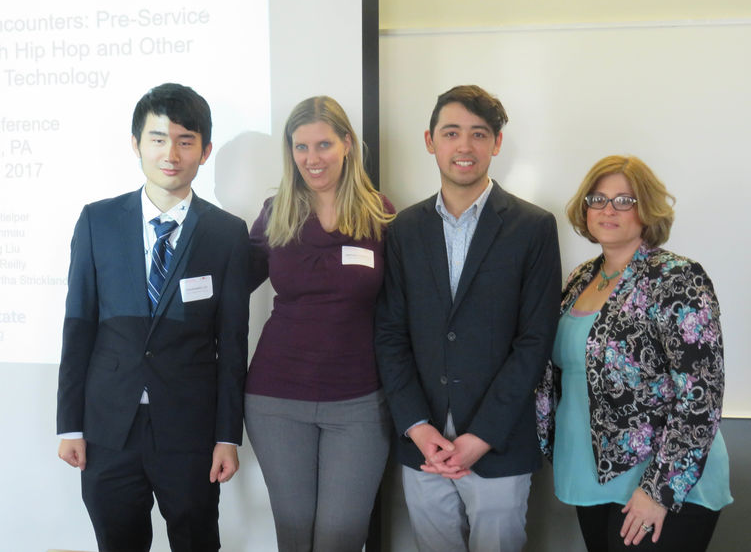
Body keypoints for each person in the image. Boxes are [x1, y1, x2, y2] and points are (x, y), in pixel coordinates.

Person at [56, 83, 250, 552]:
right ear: (136, 144)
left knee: (197, 541)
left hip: (190, 429)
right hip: (108, 429)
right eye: (158, 138)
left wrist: (228, 436)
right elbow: (78, 325)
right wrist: (69, 424)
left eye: (186, 141)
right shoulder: (97, 221)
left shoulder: (226, 233)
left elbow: (232, 343)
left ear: (204, 152)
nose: (171, 152)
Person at [375, 84, 561, 552]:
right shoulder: (403, 231)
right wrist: (417, 426)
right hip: (425, 445)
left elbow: (535, 340)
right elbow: (391, 334)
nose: (464, 146)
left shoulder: (533, 227)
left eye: (479, 134)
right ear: (429, 140)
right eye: (451, 132)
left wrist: (481, 436)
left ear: (496, 144)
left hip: (498, 445)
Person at [536, 155, 732, 551]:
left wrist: (658, 490)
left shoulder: (677, 278)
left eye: (625, 200)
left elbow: (701, 397)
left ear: (647, 210)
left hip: (662, 483)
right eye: (598, 199)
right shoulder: (579, 279)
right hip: (590, 474)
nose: (608, 209)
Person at [244, 95, 394, 552]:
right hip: (276, 398)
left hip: (359, 402)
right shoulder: (276, 211)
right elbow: (230, 288)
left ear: (347, 144)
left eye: (324, 144)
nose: (312, 158)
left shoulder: (380, 214)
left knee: (342, 536)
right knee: (294, 533)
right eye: (301, 146)